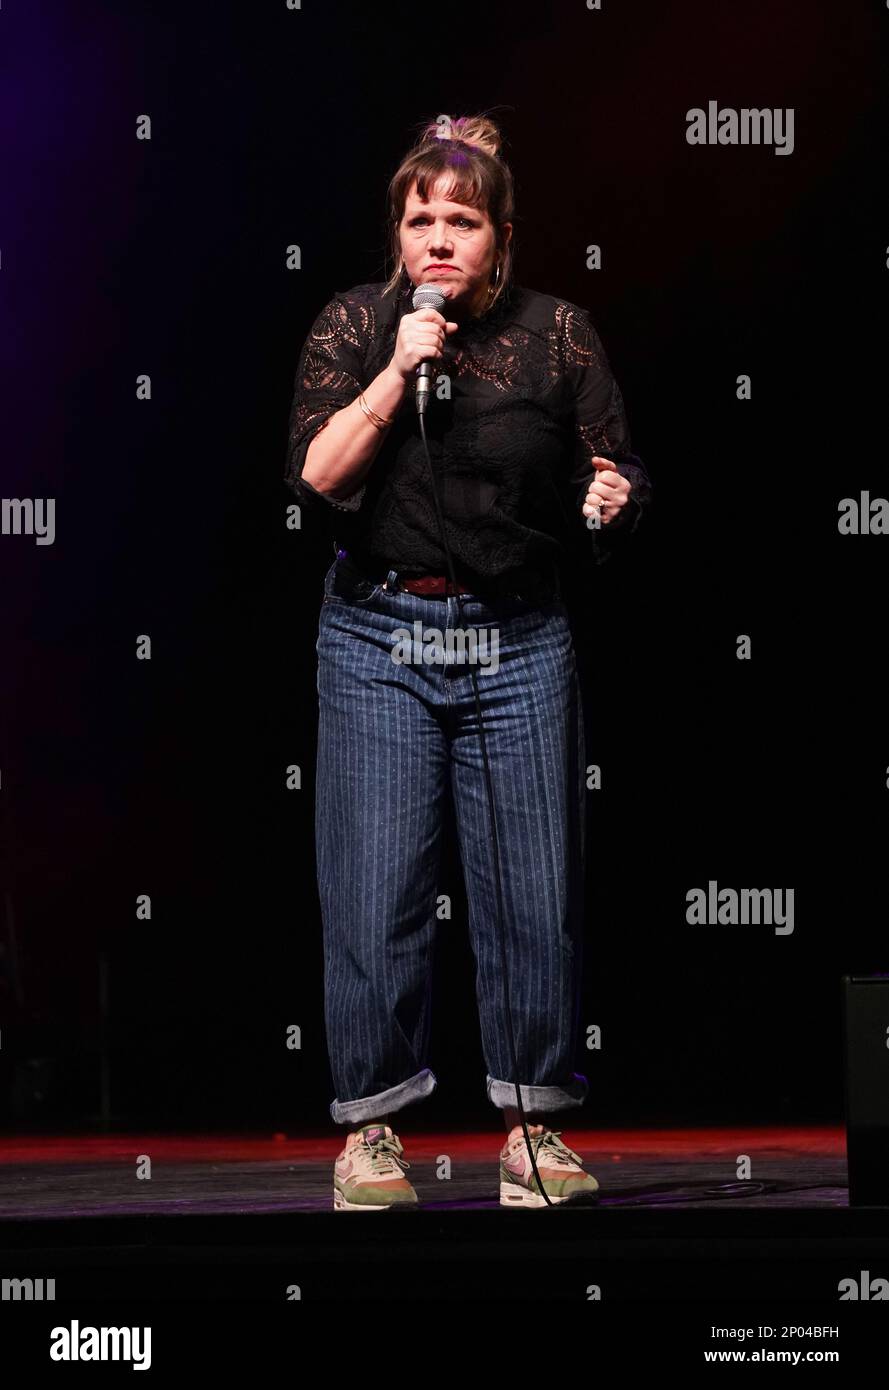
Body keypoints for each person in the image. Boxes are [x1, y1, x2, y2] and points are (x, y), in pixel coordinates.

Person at [284, 113, 653, 1210]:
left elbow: (618, 463)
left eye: (463, 220)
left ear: (500, 236)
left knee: (530, 893)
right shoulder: (356, 325)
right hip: (376, 634)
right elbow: (319, 475)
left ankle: (533, 1129)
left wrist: (616, 496)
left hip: (516, 637)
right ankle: (372, 1137)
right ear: (396, 236)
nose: (439, 239)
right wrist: (400, 368)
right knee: (375, 888)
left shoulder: (559, 334)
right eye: (420, 220)